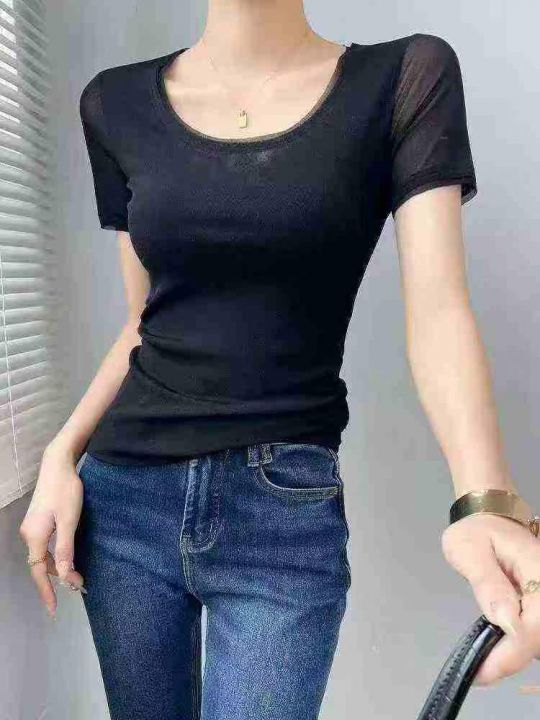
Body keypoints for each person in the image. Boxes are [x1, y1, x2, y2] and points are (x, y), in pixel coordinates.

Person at [19, 1, 540, 718]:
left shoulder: (403, 77)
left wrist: (487, 506)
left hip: (281, 509)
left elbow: (439, 310)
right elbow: (143, 323)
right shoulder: (114, 102)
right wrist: (61, 452)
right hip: (124, 503)